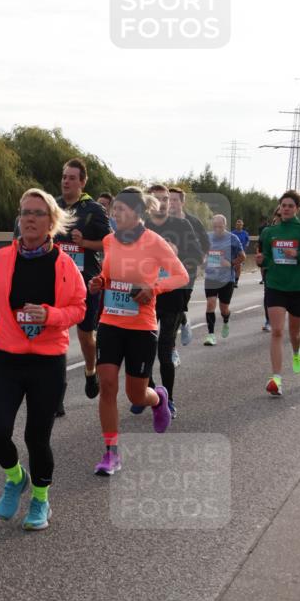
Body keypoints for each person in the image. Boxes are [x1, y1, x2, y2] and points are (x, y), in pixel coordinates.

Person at [0, 189, 86, 530]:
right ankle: (15, 476)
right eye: (25, 213)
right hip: (7, 357)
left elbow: (80, 308)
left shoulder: (65, 265)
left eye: (37, 213)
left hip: (47, 362)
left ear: (51, 222)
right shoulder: (2, 259)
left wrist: (50, 316)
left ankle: (40, 500)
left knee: (37, 438)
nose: (30, 219)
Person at [87, 187, 189, 476]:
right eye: (113, 209)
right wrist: (100, 281)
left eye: (120, 209)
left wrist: (152, 288)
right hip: (109, 322)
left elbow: (180, 275)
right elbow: (109, 274)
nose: (114, 214)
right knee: (106, 385)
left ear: (137, 212)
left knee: (135, 395)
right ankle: (111, 453)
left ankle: (158, 398)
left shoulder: (155, 242)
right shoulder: (109, 240)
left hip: (141, 327)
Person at [53, 159, 111, 414]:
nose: (66, 181)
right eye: (64, 177)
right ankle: (57, 397)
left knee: (85, 336)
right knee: (55, 335)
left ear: (82, 182)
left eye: (72, 178)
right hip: (56, 282)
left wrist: (85, 242)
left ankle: (90, 371)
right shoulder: (52, 206)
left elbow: (109, 243)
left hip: (85, 281)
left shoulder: (94, 210)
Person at [144, 184, 204, 418]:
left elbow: (197, 257)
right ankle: (148, 390)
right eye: (157, 199)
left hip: (173, 296)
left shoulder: (182, 225)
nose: (163, 203)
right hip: (146, 296)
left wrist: (176, 252)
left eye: (166, 199)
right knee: (143, 349)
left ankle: (167, 399)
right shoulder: (142, 227)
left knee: (165, 350)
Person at [255, 190, 300, 397]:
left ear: (297, 209)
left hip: (298, 288)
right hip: (275, 286)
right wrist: (261, 261)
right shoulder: (269, 232)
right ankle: (276, 378)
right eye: (283, 205)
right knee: (276, 331)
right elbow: (267, 258)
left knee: (294, 334)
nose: (285, 209)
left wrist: (298, 254)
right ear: (279, 207)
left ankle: (296, 354)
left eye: (290, 206)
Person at [168, 188, 208, 346]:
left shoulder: (193, 221)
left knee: (179, 305)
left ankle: (181, 324)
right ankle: (171, 347)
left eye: (175, 200)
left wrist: (199, 261)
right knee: (170, 308)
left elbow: (205, 244)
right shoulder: (160, 221)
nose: (171, 203)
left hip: (187, 271)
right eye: (168, 199)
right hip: (165, 271)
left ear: (182, 202)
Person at [203, 215, 245, 345]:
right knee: (210, 304)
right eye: (214, 227)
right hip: (211, 277)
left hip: (227, 279)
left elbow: (242, 256)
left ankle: (226, 320)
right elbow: (202, 255)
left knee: (224, 309)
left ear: (225, 226)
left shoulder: (233, 238)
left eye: (219, 227)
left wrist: (231, 264)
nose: (217, 229)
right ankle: (210, 335)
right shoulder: (207, 237)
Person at [260, 210, 281, 331]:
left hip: (291, 273)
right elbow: (261, 250)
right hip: (271, 270)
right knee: (268, 295)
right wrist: (262, 265)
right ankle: (269, 321)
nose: (281, 216)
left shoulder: (297, 230)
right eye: (278, 214)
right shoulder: (267, 232)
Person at [233, 219, 250, 286]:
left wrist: (246, 245)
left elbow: (248, 240)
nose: (239, 226)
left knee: (239, 266)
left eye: (240, 225)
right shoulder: (232, 233)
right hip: (233, 252)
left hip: (241, 252)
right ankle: (233, 279)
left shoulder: (245, 233)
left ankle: (236, 281)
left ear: (242, 225)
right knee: (234, 266)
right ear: (235, 225)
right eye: (237, 224)